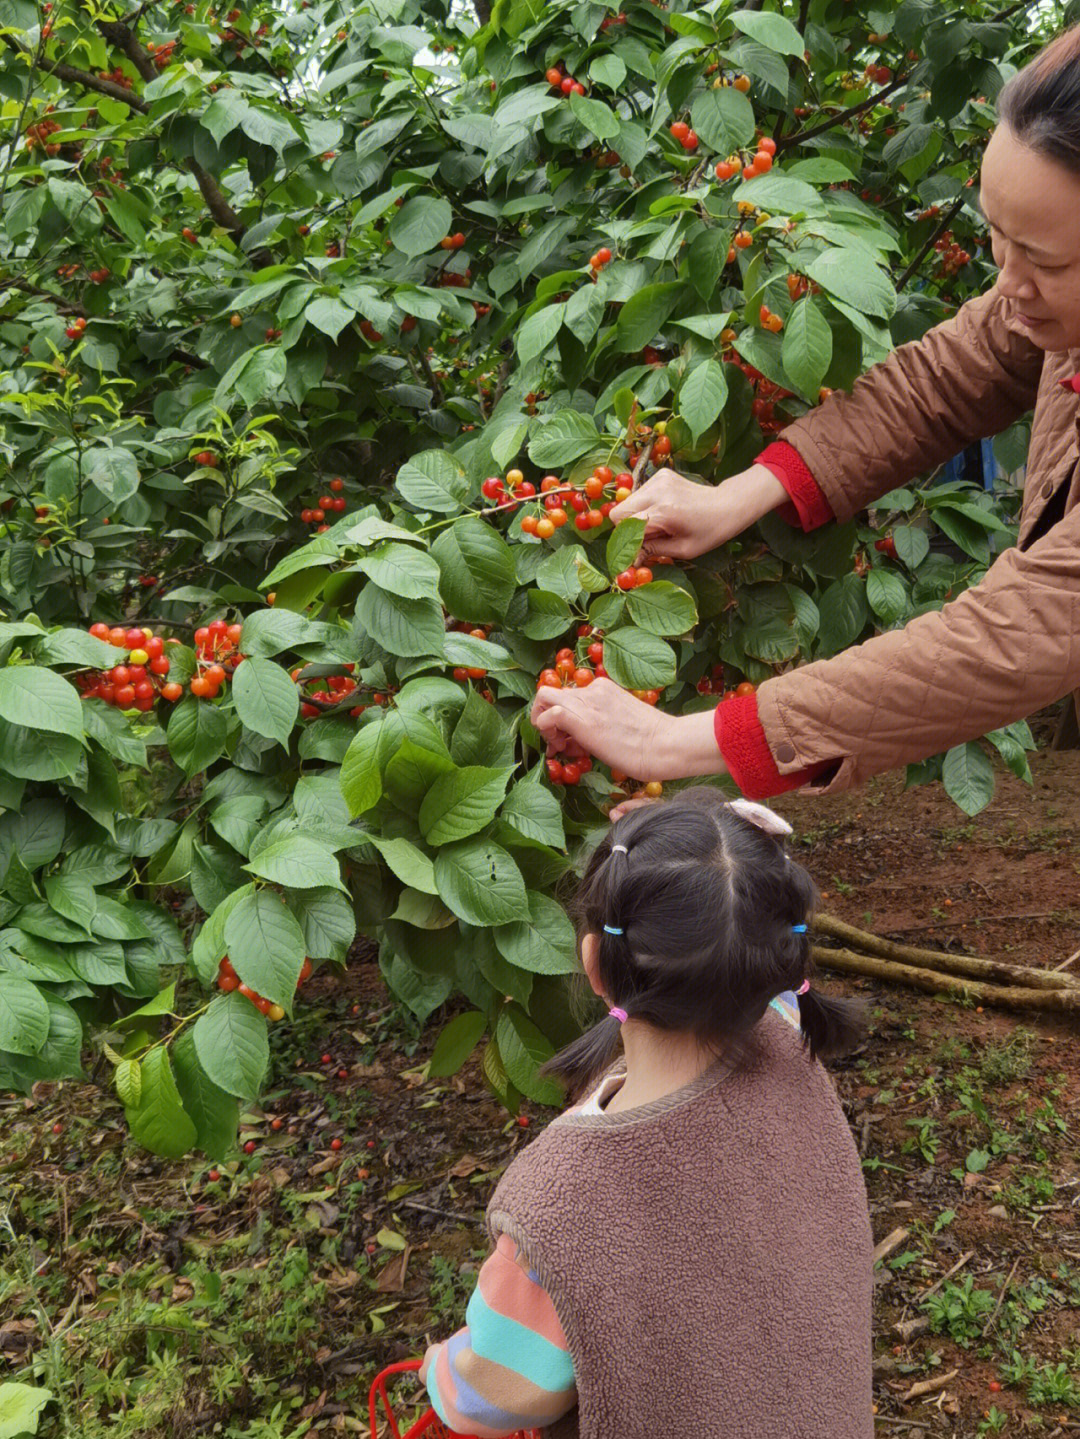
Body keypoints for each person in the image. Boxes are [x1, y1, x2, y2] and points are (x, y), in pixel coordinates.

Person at [532, 26, 1080, 805]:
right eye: (995, 238)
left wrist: (680, 737)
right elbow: (955, 372)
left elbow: (1025, 627)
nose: (1006, 280)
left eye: (1046, 261)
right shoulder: (1037, 303)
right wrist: (746, 491)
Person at [420, 790, 872, 1439]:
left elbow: (491, 1392)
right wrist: (696, 844)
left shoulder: (561, 1203)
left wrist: (440, 1368)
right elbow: (736, 908)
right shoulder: (785, 1036)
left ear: (593, 963)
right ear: (775, 959)